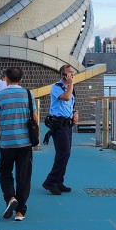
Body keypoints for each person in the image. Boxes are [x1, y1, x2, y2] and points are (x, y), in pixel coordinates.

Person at [0, 66, 36, 222]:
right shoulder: (29, 94)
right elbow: (35, 119)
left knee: (4, 171)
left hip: (7, 143)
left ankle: (10, 198)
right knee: (23, 176)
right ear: (21, 79)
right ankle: (20, 212)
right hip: (25, 143)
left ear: (6, 79)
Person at [41, 64, 79, 195]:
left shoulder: (70, 88)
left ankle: (59, 181)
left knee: (65, 154)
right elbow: (66, 97)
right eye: (69, 72)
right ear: (62, 74)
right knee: (63, 153)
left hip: (67, 124)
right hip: (58, 124)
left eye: (72, 72)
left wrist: (75, 112)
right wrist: (71, 84)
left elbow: (71, 103)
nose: (71, 75)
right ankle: (50, 182)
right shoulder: (56, 88)